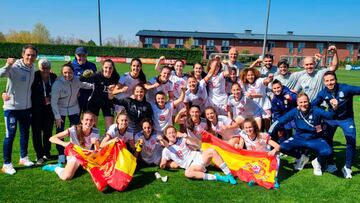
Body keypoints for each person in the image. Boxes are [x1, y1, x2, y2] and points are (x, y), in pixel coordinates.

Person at [269, 93, 334, 176]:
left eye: (305, 102)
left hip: (314, 139)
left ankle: (317, 162)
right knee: (282, 147)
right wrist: (269, 133)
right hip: (299, 138)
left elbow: (330, 116)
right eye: (301, 102)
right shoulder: (295, 111)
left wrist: (334, 108)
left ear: (309, 101)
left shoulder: (316, 110)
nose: (303, 104)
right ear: (297, 103)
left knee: (327, 151)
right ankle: (301, 157)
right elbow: (279, 121)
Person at [312, 71, 360, 178]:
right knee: (327, 140)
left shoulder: (345, 88)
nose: (330, 83)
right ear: (324, 82)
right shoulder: (323, 93)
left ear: (336, 80)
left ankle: (347, 167)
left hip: (346, 119)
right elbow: (313, 106)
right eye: (327, 81)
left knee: (351, 141)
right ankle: (327, 162)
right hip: (331, 119)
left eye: (332, 80)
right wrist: (323, 114)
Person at [0, 45, 37, 175]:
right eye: (28, 54)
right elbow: (1, 74)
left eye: (33, 55)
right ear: (23, 55)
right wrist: (7, 65)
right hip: (12, 108)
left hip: (26, 108)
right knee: (10, 136)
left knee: (25, 133)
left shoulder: (33, 67)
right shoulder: (15, 67)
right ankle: (6, 164)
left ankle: (23, 158)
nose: (30, 57)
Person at [159, 125, 237, 184]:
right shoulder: (166, 150)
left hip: (198, 157)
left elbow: (197, 144)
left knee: (212, 151)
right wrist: (162, 165)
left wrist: (188, 137)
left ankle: (229, 174)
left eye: (173, 132)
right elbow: (163, 162)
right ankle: (217, 177)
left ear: (176, 133)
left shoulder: (182, 140)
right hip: (192, 165)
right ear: (166, 135)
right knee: (187, 173)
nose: (172, 134)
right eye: (169, 133)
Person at [51, 63, 94, 164]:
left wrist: (98, 85)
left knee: (75, 131)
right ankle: (61, 154)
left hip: (74, 109)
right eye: (65, 73)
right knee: (60, 132)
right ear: (62, 73)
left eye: (70, 72)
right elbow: (53, 102)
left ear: (73, 72)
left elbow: (87, 85)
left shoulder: (76, 80)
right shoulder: (57, 84)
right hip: (60, 109)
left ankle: (74, 152)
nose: (67, 75)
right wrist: (57, 117)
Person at [42, 111, 100, 180]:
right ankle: (56, 167)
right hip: (74, 156)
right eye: (86, 119)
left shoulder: (96, 131)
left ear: (94, 122)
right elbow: (52, 138)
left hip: (86, 156)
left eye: (91, 120)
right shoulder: (73, 130)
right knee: (66, 177)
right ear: (81, 120)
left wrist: (96, 143)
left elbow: (97, 150)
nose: (89, 122)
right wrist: (64, 144)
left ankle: (81, 166)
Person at [31, 59, 57, 165]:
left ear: (50, 68)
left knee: (48, 132)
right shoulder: (34, 76)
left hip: (49, 110)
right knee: (36, 133)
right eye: (43, 68)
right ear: (39, 67)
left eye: (47, 68)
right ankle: (39, 155)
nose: (45, 70)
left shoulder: (53, 77)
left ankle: (47, 152)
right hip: (36, 109)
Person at [88, 59, 119, 129]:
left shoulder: (116, 77)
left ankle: (107, 140)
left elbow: (117, 91)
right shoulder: (96, 76)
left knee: (110, 127)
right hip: (95, 101)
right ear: (102, 67)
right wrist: (83, 76)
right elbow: (82, 82)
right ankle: (93, 139)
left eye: (110, 68)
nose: (108, 70)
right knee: (93, 125)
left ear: (113, 68)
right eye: (106, 67)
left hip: (108, 102)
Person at [72, 47, 97, 112]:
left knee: (89, 119)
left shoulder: (92, 65)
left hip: (89, 96)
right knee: (76, 120)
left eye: (83, 55)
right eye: (79, 56)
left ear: (87, 55)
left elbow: (95, 80)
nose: (82, 58)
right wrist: (82, 76)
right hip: (76, 97)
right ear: (75, 55)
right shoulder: (71, 66)